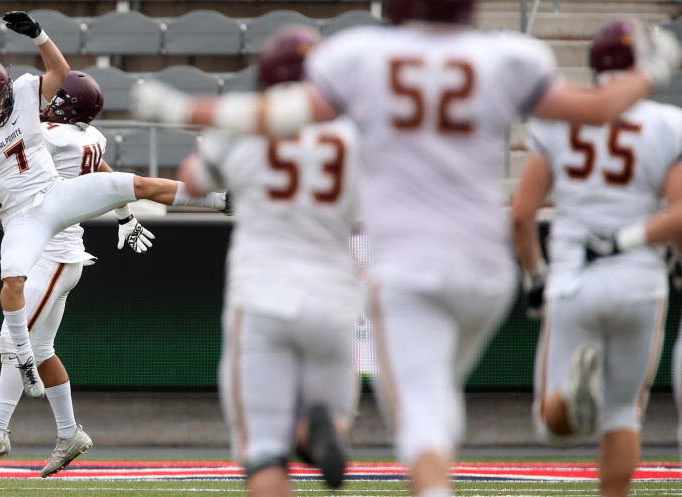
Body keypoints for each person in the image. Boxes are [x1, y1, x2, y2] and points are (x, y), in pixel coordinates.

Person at [130, 2, 682, 496]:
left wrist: (183, 110)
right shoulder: (507, 56)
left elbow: (268, 124)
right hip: (483, 267)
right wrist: (656, 67)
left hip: (386, 269)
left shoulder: (360, 59)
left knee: (412, 409)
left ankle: (415, 476)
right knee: (446, 392)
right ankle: (329, 428)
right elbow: (598, 107)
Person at [0, 11, 231, 405]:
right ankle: (24, 359)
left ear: (8, 90)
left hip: (57, 195)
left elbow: (60, 72)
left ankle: (222, 199)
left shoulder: (30, 97)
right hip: (22, 217)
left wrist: (40, 35)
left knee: (137, 183)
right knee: (12, 279)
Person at [178, 26, 361, 497]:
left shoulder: (246, 125)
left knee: (262, 451)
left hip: (261, 295)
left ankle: (297, 437)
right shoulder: (355, 134)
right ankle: (314, 431)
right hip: (334, 298)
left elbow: (193, 181)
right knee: (333, 417)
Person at [0, 70, 156, 476]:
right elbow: (110, 179)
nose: (45, 102)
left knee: (13, 340)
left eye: (55, 99)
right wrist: (125, 216)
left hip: (53, 253)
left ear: (63, 105)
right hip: (59, 252)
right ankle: (68, 434)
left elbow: (12, 145)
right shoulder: (87, 140)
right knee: (40, 350)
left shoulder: (50, 134)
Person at [513, 21, 682, 497]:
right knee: (625, 412)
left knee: (550, 427)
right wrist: (629, 240)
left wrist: (533, 277)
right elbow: (680, 212)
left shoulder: (558, 120)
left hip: (574, 277)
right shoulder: (669, 123)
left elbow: (523, 214)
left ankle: (570, 401)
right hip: (640, 281)